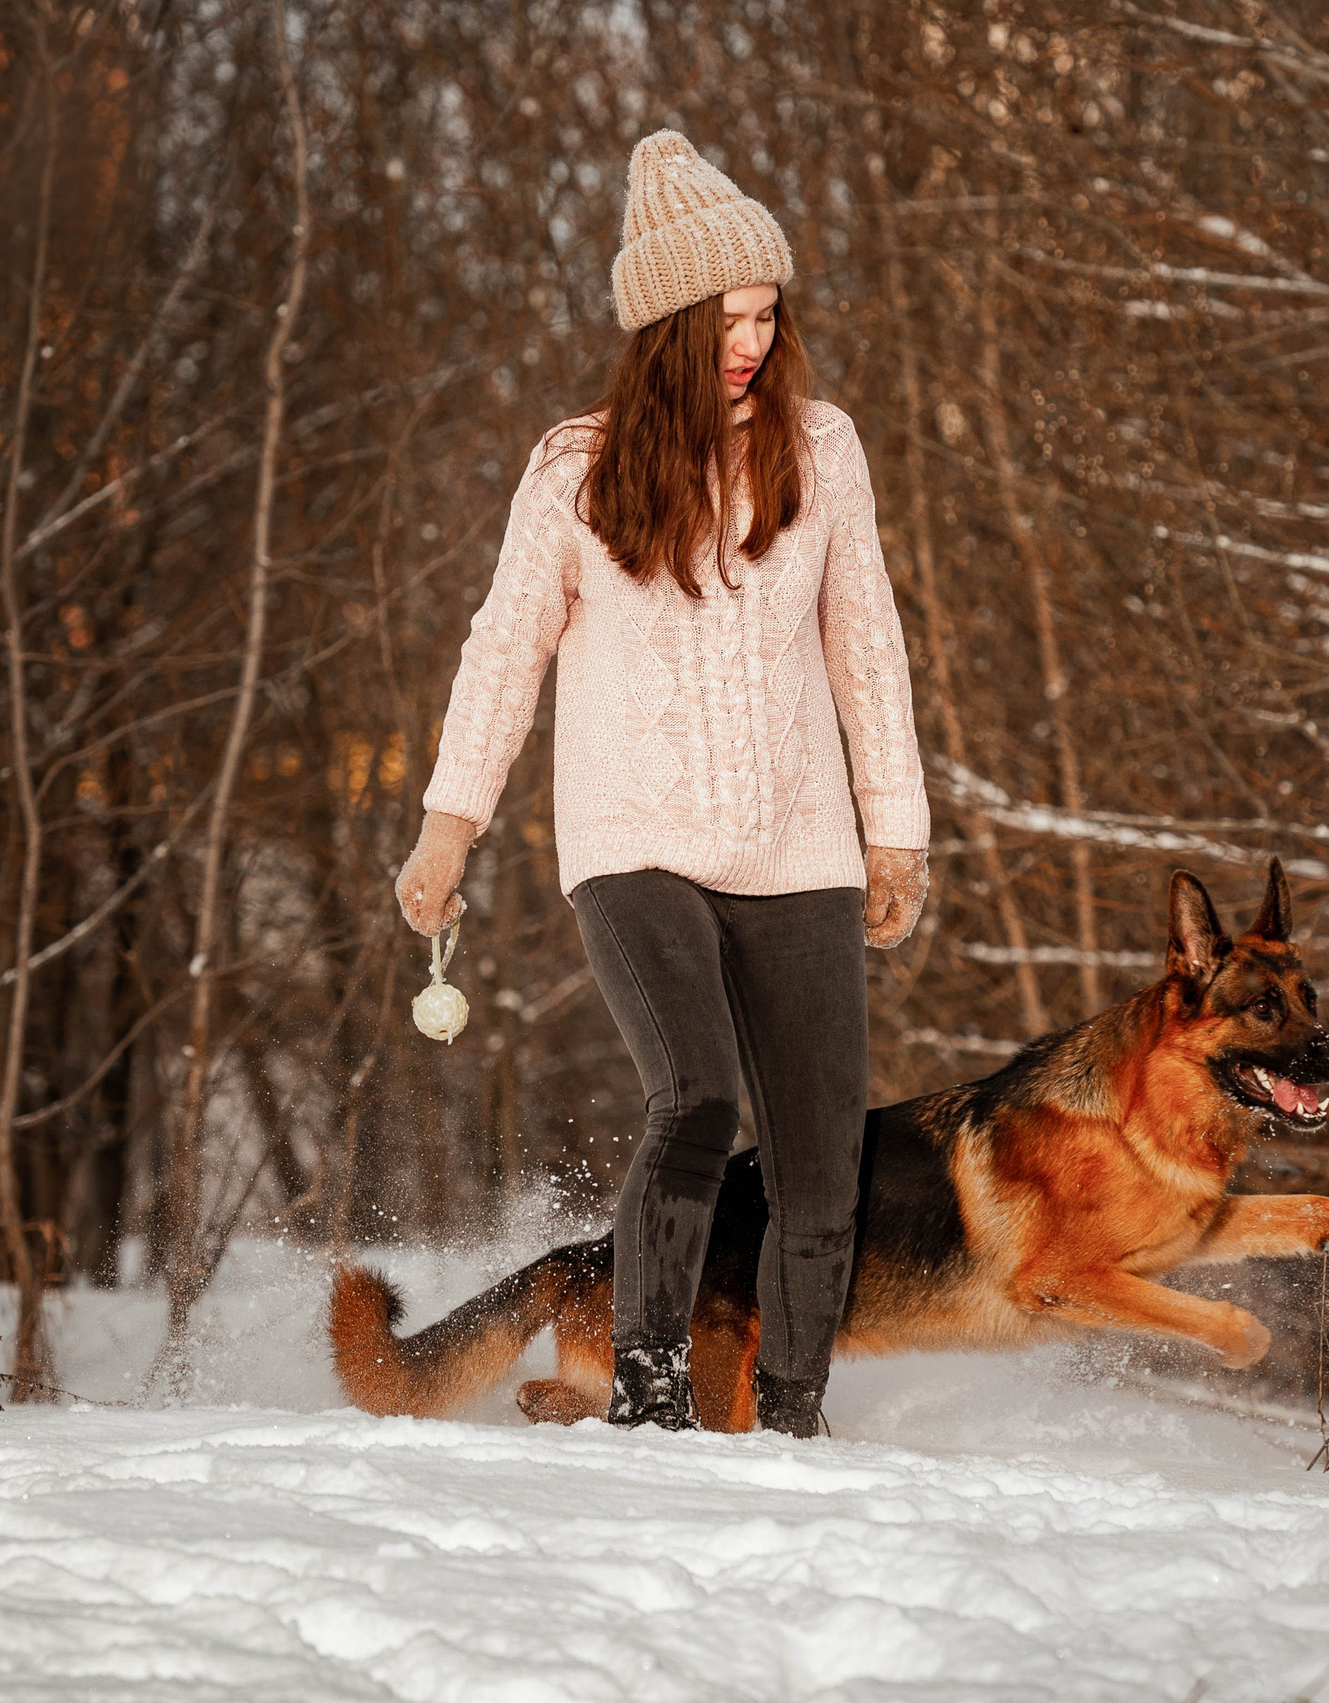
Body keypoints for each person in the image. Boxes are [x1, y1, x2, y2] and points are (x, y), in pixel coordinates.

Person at [392, 131, 930, 1439]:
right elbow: (502, 654)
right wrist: (447, 827)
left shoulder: (826, 451)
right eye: (723, 315)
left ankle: (793, 1420)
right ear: (664, 323)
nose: (750, 338)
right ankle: (645, 1393)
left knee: (822, 1166)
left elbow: (867, 645)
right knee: (695, 1092)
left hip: (799, 847)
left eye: (764, 311)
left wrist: (893, 833)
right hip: (633, 843)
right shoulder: (575, 469)